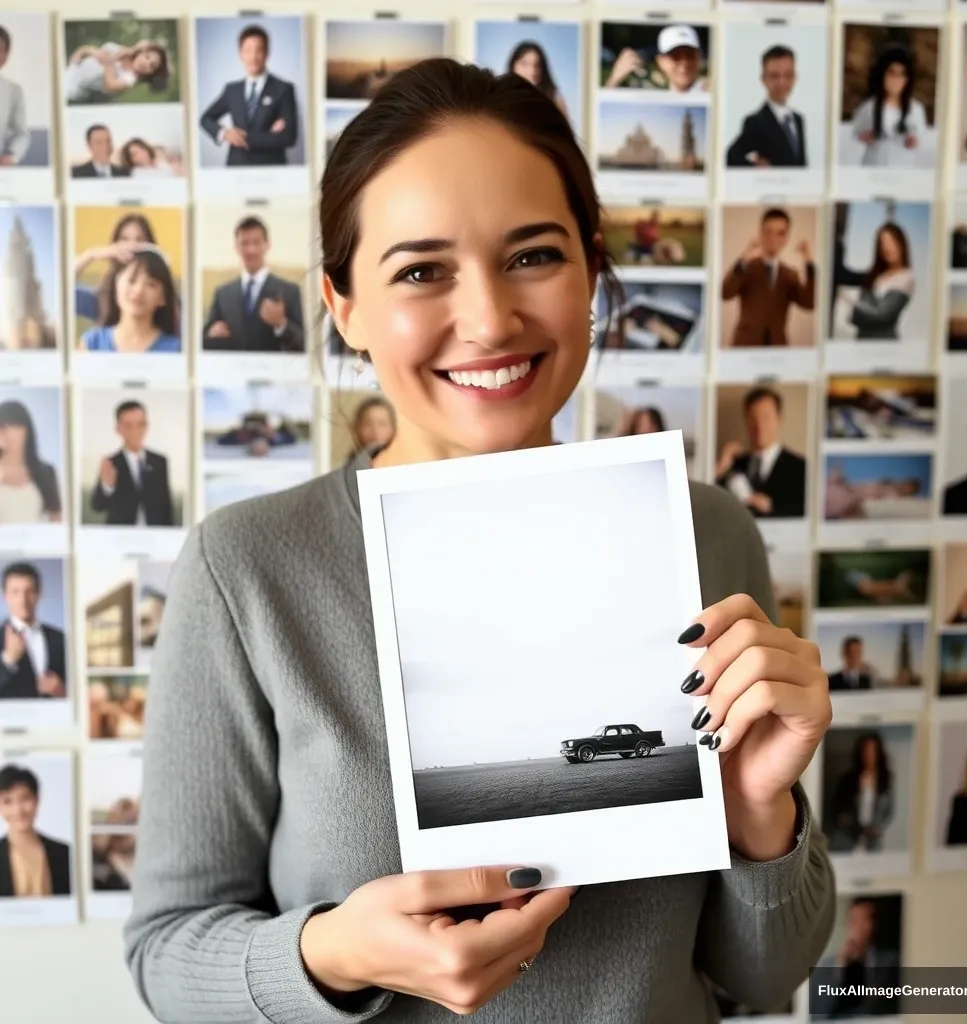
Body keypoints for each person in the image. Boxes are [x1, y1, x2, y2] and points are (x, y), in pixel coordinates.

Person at [123, 58, 835, 1024]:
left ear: (591, 267)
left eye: (534, 255)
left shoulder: (706, 533)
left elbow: (761, 980)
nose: (491, 319)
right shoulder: (246, 568)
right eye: (421, 271)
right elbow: (167, 953)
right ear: (344, 306)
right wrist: (333, 953)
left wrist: (759, 816)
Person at [199, 24, 299, 168]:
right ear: (240, 54)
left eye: (259, 50)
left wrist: (243, 137)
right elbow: (205, 119)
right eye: (248, 51)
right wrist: (225, 133)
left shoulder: (283, 89)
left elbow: (289, 137)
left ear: (267, 53)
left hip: (272, 171)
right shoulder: (231, 90)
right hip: (236, 169)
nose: (253, 56)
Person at [202, 216, 305, 352]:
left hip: (274, 371)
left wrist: (281, 324)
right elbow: (204, 342)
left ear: (267, 244)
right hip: (232, 370)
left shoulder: (290, 291)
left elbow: (303, 345)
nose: (251, 249)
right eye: (244, 243)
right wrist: (211, 334)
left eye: (256, 242)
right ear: (236, 247)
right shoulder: (223, 294)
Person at [721, 208, 815, 347]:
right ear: (760, 233)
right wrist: (744, 257)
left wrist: (809, 261)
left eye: (780, 233)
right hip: (744, 347)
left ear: (786, 238)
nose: (773, 238)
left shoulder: (790, 275)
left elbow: (809, 304)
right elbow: (725, 293)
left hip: (777, 348)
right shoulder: (747, 268)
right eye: (768, 231)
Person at [715, 386, 807, 519]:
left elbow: (804, 516)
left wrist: (771, 507)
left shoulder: (800, 467)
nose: (759, 425)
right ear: (746, 422)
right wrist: (720, 467)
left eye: (766, 417)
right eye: (753, 418)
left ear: (779, 419)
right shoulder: (733, 464)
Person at [89, 400, 174, 527]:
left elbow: (166, 506)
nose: (135, 431)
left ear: (146, 426)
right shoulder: (111, 463)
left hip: (155, 536)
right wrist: (108, 486)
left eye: (140, 424)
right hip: (120, 537)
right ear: (118, 429)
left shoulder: (160, 462)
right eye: (128, 425)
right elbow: (97, 506)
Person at [79, 249, 181, 354]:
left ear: (163, 298)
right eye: (132, 280)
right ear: (116, 285)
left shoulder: (175, 349)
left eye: (151, 284)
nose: (138, 290)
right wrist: (90, 255)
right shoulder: (93, 343)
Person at [812, 898, 900, 1018]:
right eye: (854, 921)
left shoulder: (891, 961)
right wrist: (839, 969)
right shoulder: (827, 964)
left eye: (865, 920)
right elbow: (818, 1013)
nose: (858, 928)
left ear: (874, 924)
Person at [726, 46, 806, 169]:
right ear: (763, 78)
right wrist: (754, 167)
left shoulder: (798, 119)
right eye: (774, 76)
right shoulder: (755, 122)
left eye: (788, 75)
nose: (782, 82)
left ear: (795, 77)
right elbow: (730, 157)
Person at [849, 46, 929, 168]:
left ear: (907, 79)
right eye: (892, 73)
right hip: (873, 168)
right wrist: (865, 136)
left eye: (901, 74)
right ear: (883, 76)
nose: (896, 80)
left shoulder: (916, 109)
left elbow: (921, 139)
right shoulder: (869, 107)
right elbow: (855, 134)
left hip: (903, 170)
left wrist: (913, 141)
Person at [832, 221, 913, 340]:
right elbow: (843, 276)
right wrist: (837, 243)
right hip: (863, 339)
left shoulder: (906, 277)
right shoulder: (877, 275)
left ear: (901, 243)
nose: (887, 248)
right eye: (883, 243)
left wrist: (848, 299)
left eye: (891, 242)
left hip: (884, 343)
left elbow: (881, 315)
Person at [0, 763, 72, 897]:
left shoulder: (65, 853)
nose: (18, 810)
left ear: (37, 800)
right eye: (7, 801)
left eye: (25, 799)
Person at [74, 212, 157, 324]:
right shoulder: (102, 300)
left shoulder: (166, 299)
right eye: (124, 239)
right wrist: (91, 255)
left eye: (140, 240)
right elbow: (63, 292)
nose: (131, 246)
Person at [0, 562, 66, 702]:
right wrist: (7, 661)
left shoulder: (60, 638)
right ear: (5, 595)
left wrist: (63, 692)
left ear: (39, 594)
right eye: (15, 592)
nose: (22, 600)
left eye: (29, 591)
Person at [824, 732, 893, 854]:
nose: (869, 755)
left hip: (873, 839)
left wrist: (879, 827)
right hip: (848, 836)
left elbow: (889, 809)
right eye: (865, 750)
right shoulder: (847, 779)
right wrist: (843, 818)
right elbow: (834, 808)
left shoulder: (885, 779)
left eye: (872, 750)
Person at [0, 399, 61, 524]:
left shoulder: (46, 473)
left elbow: (57, 520)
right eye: (2, 427)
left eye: (14, 427)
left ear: (27, 431)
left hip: (36, 541)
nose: (7, 433)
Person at [604, 24, 709, 93]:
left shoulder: (711, 92)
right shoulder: (649, 93)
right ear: (661, 61)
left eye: (690, 55)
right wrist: (615, 79)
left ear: (699, 58)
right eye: (675, 57)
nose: (684, 63)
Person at [63, 38, 170, 103]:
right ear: (141, 52)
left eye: (152, 66)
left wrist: (108, 64)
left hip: (73, 88)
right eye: (147, 57)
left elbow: (110, 86)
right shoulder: (122, 51)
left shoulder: (130, 78)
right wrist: (82, 52)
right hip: (71, 69)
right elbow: (91, 51)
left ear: (150, 74)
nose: (146, 64)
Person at [506, 42, 569, 122]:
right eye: (524, 64)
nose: (532, 71)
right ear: (513, 66)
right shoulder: (501, 98)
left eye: (537, 65)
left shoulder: (554, 101)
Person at [0, 25, 28, 166]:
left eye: (0, 51)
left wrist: (11, 156)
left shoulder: (14, 91)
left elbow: (21, 134)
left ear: (5, 57)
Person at [344, 396, 396, 466]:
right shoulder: (348, 469)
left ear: (393, 428)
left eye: (382, 424)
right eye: (368, 424)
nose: (376, 431)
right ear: (357, 428)